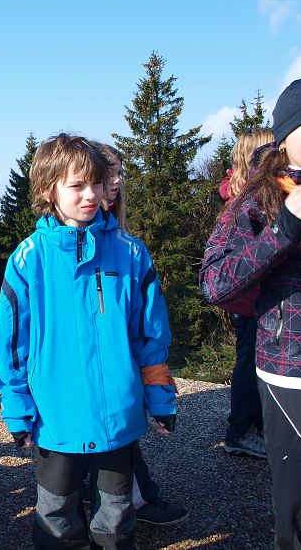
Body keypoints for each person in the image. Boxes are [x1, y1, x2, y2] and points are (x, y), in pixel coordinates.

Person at [0, 134, 177, 550]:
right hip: (56, 416)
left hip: (119, 415)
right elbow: (12, 345)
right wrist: (17, 408)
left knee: (116, 518)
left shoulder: (131, 253)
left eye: (96, 182)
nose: (91, 195)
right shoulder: (29, 258)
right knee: (56, 516)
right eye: (76, 186)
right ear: (48, 190)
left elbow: (150, 334)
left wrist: (161, 397)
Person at [200, 74, 301, 549]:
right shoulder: (259, 199)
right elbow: (216, 282)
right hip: (297, 377)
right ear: (285, 138)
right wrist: (284, 228)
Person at [87, 142, 188, 526]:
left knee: (119, 438)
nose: (115, 181)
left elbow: (148, 325)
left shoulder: (125, 243)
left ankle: (134, 499)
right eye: (108, 173)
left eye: (119, 173)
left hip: (124, 361)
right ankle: (135, 500)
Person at [216, 128, 274, 459]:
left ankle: (254, 425)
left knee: (251, 362)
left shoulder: (241, 193)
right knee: (251, 365)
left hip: (251, 299)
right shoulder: (248, 201)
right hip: (253, 300)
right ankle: (238, 432)